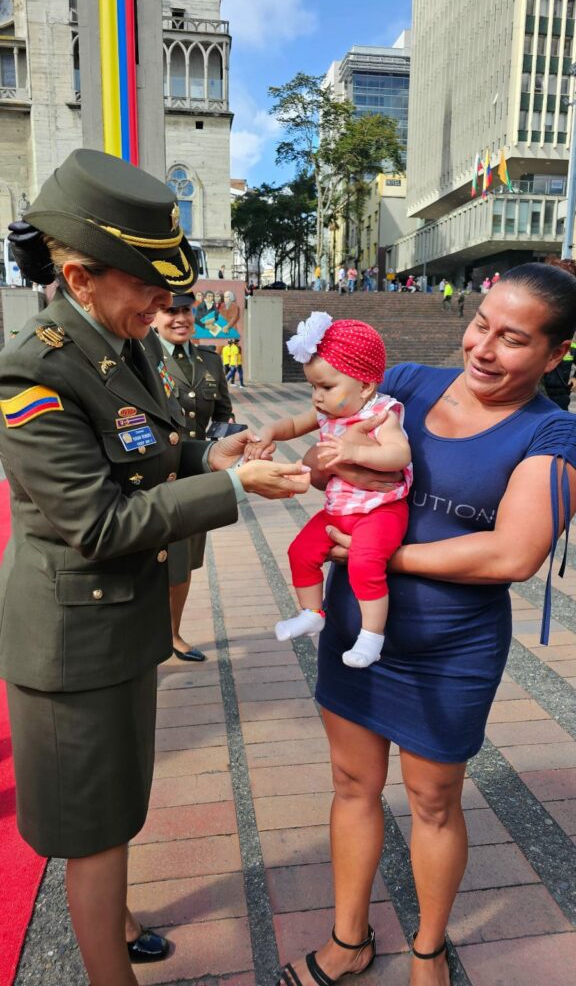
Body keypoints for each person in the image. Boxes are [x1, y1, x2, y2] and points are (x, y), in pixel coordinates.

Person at [0, 148, 310, 986]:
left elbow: (153, 449)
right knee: (95, 829)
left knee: (120, 803)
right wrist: (233, 487)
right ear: (79, 275)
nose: (166, 303)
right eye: (147, 284)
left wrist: (216, 453)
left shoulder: (117, 338)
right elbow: (97, 523)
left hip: (118, 624)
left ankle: (120, 918)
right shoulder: (37, 369)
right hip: (73, 638)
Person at [276, 263, 576, 986]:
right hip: (356, 634)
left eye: (511, 339)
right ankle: (349, 939)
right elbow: (326, 433)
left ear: (554, 354)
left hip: (450, 650)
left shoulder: (555, 434)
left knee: (434, 802)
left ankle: (428, 950)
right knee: (352, 783)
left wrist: (388, 556)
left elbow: (514, 552)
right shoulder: (406, 381)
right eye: (480, 325)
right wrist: (309, 464)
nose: (482, 348)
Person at [246, 314, 412, 668]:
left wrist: (355, 451)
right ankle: (311, 612)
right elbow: (292, 423)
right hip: (339, 510)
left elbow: (400, 453)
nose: (316, 398)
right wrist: (270, 432)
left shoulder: (383, 414)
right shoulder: (327, 413)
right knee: (300, 552)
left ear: (365, 386)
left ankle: (371, 636)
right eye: (312, 387)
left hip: (380, 511)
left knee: (366, 564)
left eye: (325, 387)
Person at [154, 295, 235, 661]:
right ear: (154, 317)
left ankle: (171, 633)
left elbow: (222, 414)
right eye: (170, 311)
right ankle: (144, 638)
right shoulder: (137, 359)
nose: (180, 318)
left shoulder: (210, 361)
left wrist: (230, 440)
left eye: (185, 310)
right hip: (152, 477)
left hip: (194, 476)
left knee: (183, 560)